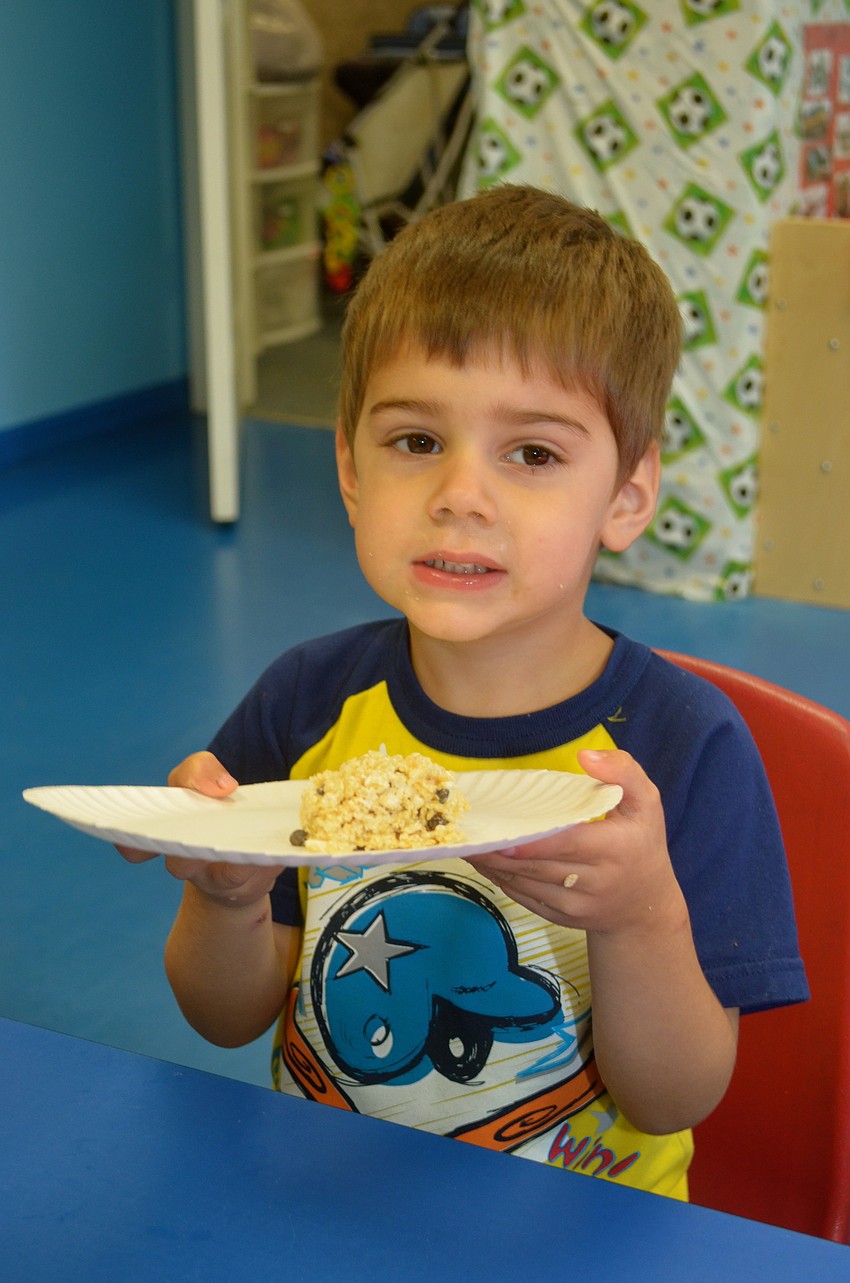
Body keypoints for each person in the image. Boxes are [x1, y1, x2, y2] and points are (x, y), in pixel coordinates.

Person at [120, 185, 807, 1201]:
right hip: (328, 1200)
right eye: (416, 441)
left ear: (626, 495)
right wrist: (224, 898)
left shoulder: (678, 747)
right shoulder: (305, 702)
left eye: (532, 453)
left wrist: (639, 918)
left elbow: (673, 1098)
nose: (460, 496)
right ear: (350, 468)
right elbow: (223, 1018)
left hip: (578, 1231)